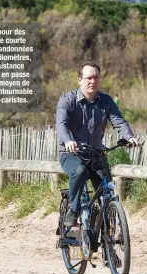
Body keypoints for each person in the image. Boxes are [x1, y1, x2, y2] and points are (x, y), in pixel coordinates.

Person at [56, 62, 140, 227]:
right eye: (88, 78)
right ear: (79, 80)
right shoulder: (67, 100)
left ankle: (107, 235)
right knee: (79, 172)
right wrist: (68, 141)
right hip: (71, 154)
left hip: (96, 154)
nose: (92, 81)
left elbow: (119, 122)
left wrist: (129, 137)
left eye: (96, 77)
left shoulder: (106, 101)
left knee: (107, 190)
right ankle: (74, 210)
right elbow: (61, 125)